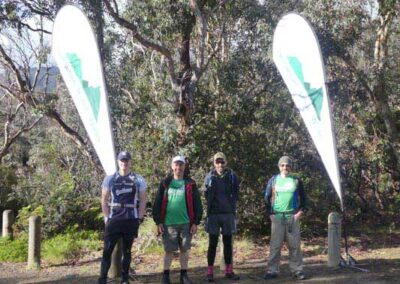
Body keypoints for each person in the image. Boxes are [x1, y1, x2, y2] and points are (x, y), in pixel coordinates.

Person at [98, 151, 147, 284]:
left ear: (130, 162)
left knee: (127, 251)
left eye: (126, 161)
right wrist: (106, 217)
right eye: (122, 160)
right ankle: (102, 279)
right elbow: (104, 199)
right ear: (118, 162)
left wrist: (140, 217)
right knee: (107, 251)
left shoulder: (138, 179)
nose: (124, 163)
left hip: (130, 219)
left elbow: (143, 200)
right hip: (114, 219)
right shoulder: (110, 178)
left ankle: (125, 279)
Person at [153, 155, 203, 284]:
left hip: (186, 223)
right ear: (172, 166)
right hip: (168, 224)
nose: (178, 167)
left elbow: (197, 203)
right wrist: (158, 222)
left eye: (181, 165)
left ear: (184, 167)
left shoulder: (190, 183)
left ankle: (184, 276)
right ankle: (165, 276)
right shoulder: (165, 183)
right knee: (168, 251)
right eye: (176, 164)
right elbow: (157, 203)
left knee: (184, 250)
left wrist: (196, 222)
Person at [263, 156, 308, 280]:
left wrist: (300, 213)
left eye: (287, 165)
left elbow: (304, 200)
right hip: (277, 217)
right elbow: (266, 198)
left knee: (294, 246)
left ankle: (297, 270)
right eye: (282, 165)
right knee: (275, 246)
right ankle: (272, 270)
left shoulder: (296, 180)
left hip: (292, 217)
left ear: (291, 167)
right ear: (279, 167)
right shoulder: (274, 180)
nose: (285, 167)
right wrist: (270, 214)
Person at [203, 152, 240, 282]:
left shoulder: (232, 176)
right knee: (212, 244)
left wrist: (230, 207)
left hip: (228, 214)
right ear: (214, 163)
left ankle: (229, 271)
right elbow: (206, 193)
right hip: (213, 214)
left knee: (228, 243)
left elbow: (236, 193)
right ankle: (210, 272)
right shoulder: (209, 176)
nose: (220, 164)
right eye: (217, 162)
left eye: (222, 162)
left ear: (226, 162)